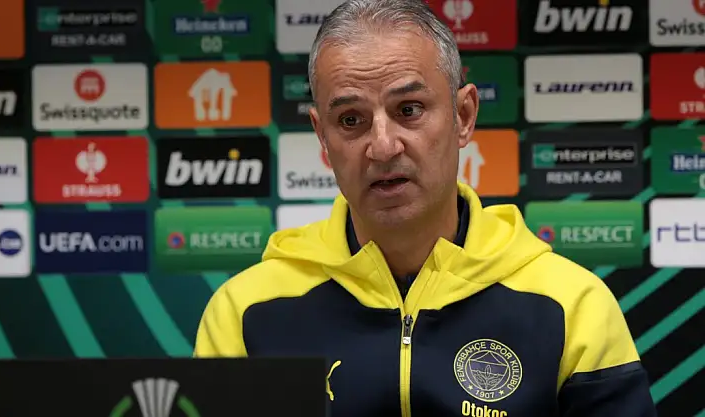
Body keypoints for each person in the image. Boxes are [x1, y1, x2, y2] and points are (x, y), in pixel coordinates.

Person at [194, 0, 658, 416]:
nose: (383, 146)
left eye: (409, 109)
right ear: (322, 137)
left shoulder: (572, 306)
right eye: (351, 120)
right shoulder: (245, 312)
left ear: (463, 116)